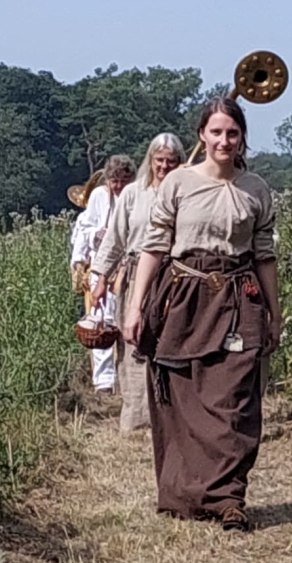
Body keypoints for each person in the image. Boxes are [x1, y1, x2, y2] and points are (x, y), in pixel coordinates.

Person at [123, 98, 281, 532]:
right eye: (216, 132)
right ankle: (190, 492)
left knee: (235, 401)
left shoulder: (257, 189)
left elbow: (264, 256)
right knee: (185, 395)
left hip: (238, 297)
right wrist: (135, 309)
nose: (224, 140)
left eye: (232, 132)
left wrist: (275, 314)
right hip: (184, 296)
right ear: (202, 136)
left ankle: (230, 498)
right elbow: (153, 248)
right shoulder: (178, 184)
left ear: (242, 136)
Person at [91, 133, 187, 433]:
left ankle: (173, 418)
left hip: (176, 277)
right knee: (134, 343)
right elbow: (115, 238)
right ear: (150, 160)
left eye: (171, 161)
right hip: (136, 278)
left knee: (173, 344)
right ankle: (137, 418)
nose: (165, 167)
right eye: (159, 161)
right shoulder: (133, 194)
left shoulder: (188, 193)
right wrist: (101, 278)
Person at [70, 155, 136, 393]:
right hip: (101, 265)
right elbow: (84, 227)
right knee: (99, 324)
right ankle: (104, 383)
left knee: (127, 323)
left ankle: (126, 380)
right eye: (114, 181)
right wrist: (95, 237)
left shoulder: (137, 196)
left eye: (123, 181)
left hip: (129, 266)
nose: (118, 186)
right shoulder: (98, 196)